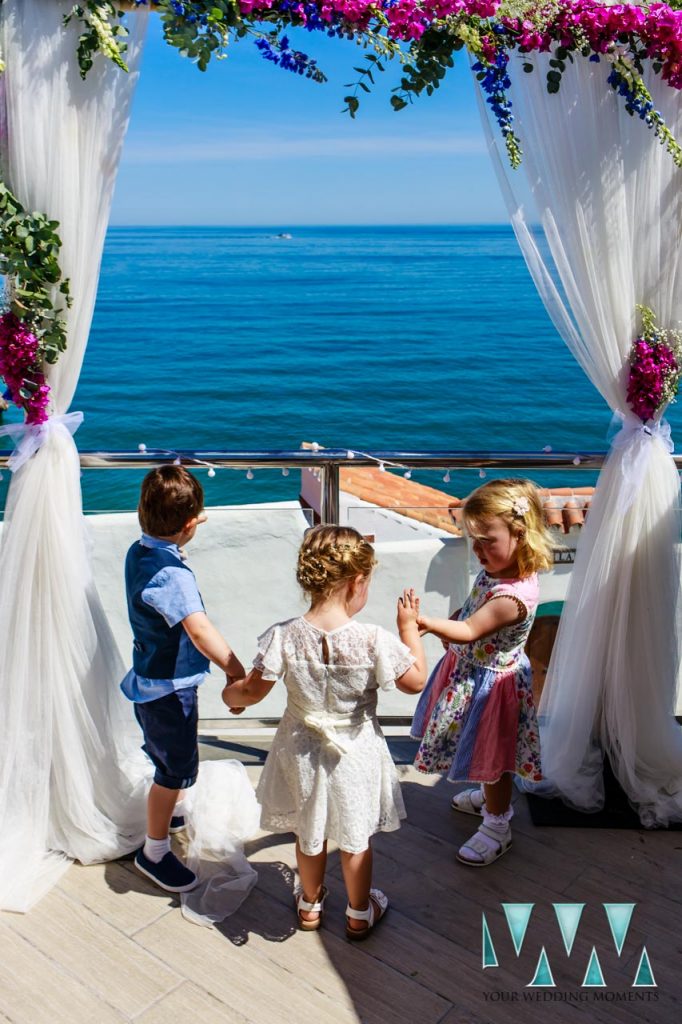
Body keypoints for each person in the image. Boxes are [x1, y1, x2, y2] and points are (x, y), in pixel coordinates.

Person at [222, 525, 427, 938]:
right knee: (355, 836)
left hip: (301, 749)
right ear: (357, 582)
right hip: (355, 751)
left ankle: (310, 904)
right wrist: (408, 629)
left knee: (308, 826)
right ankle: (358, 912)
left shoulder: (283, 635)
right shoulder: (373, 640)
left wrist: (232, 694)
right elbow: (416, 681)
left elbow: (252, 691)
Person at [412, 478, 553, 867]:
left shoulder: (512, 597)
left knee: (495, 754)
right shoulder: (498, 572)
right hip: (474, 674)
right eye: (473, 539)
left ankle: (497, 825)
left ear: (520, 535)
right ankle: (490, 797)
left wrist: (427, 622)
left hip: (494, 686)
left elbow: (473, 629)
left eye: (486, 539)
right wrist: (458, 616)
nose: (477, 549)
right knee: (480, 747)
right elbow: (473, 612)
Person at [121, 465, 245, 893]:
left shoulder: (139, 552)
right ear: (191, 525)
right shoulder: (173, 576)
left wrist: (184, 527)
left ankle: (171, 812)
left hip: (149, 680)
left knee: (171, 757)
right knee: (172, 770)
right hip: (169, 692)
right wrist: (235, 668)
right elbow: (199, 630)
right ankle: (153, 852)